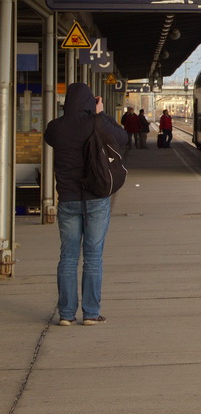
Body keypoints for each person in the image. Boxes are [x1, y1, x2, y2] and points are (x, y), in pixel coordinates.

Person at [44, 82, 129, 326]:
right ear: (90, 101)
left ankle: (66, 314)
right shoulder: (95, 123)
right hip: (95, 199)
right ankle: (91, 313)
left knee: (68, 257)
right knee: (93, 257)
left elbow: (52, 139)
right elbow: (122, 138)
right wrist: (100, 114)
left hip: (68, 200)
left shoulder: (55, 128)